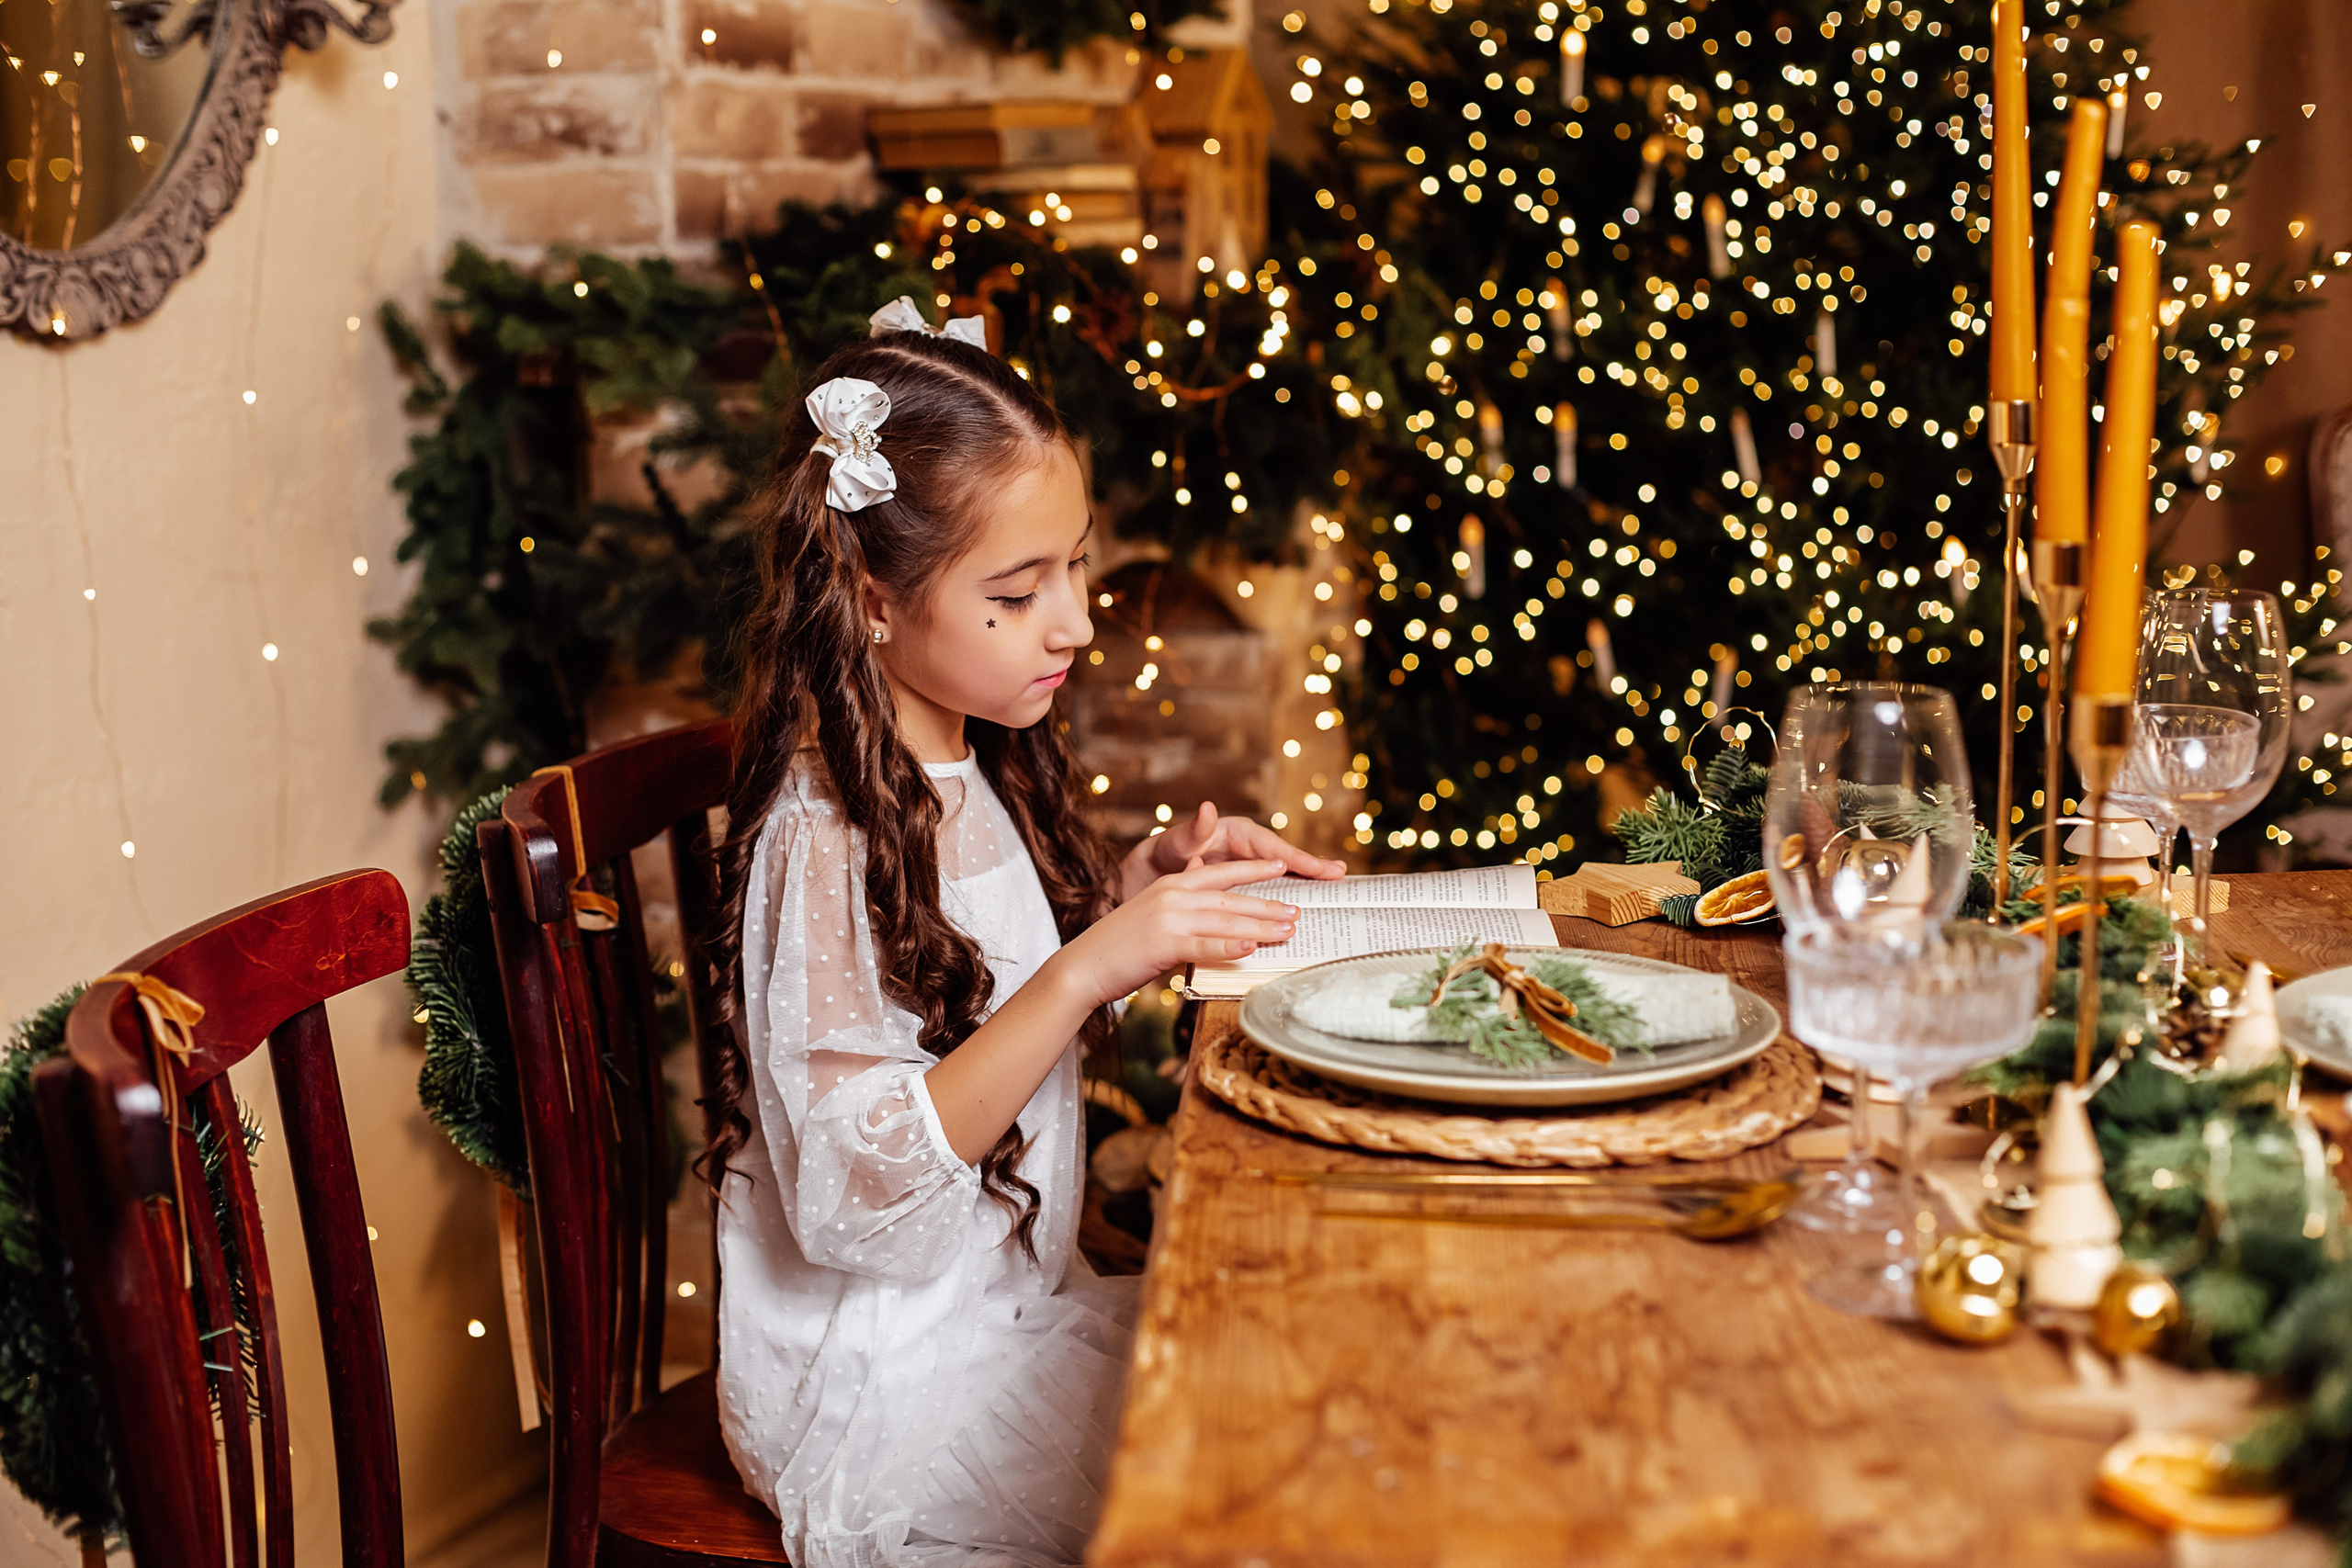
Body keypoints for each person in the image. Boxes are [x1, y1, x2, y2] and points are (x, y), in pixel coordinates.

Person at [706, 300, 1345, 1568]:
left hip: (998, 1310)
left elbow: (968, 1001)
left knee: (1308, 1384)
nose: (1077, 623)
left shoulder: (958, 757)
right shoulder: (819, 832)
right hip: (882, 1379)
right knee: (1263, 1490)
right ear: (874, 602)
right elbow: (854, 1199)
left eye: (1077, 566)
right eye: (1019, 591)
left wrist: (1129, 901)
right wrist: (1087, 966)